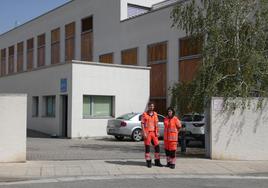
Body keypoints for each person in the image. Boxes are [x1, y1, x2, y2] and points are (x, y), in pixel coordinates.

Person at [141, 102, 163, 168]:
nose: (152, 107)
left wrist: (158, 132)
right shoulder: (144, 114)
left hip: (154, 133)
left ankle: (157, 161)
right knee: (147, 148)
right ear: (148, 107)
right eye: (150, 106)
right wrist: (144, 132)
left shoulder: (155, 114)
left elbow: (157, 124)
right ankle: (148, 162)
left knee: (157, 147)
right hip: (147, 133)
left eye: (153, 106)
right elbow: (142, 123)